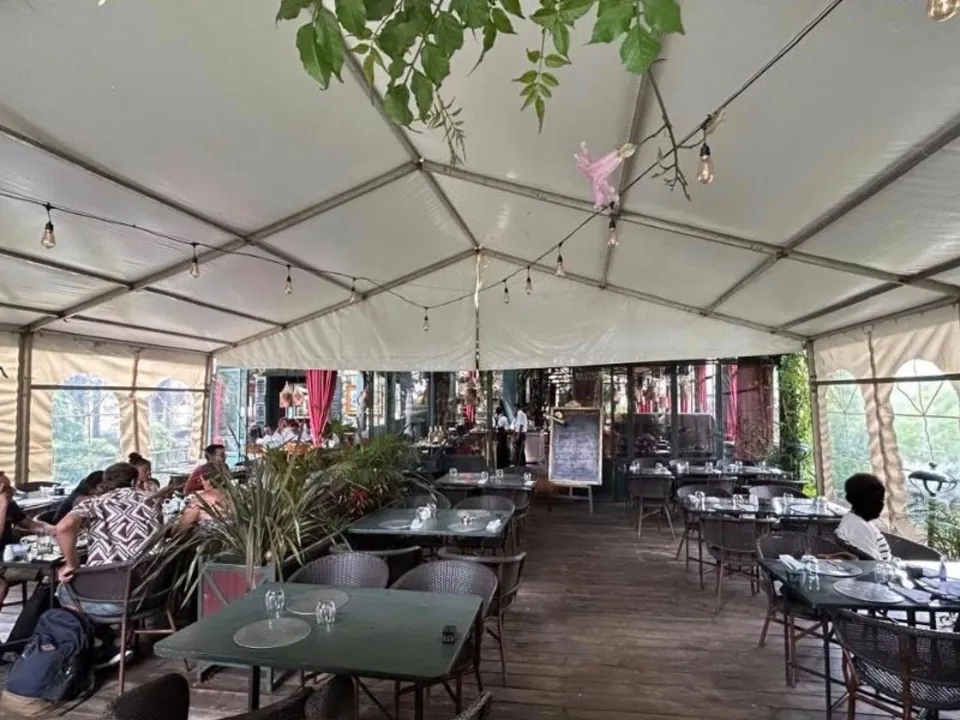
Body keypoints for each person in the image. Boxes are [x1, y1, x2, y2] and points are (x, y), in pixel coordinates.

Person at [0, 472, 55, 608]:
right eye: (6, 488)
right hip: (4, 564)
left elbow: (29, 524)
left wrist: (55, 530)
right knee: (55, 572)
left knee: (56, 567)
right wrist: (2, 506)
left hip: (11, 556)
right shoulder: (5, 504)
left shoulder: (10, 505)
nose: (12, 491)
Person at [835, 473, 892, 561]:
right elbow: (876, 564)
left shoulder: (857, 521)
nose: (882, 504)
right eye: (880, 499)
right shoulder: (858, 527)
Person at [177, 463, 226, 532]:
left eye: (201, 480)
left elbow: (180, 531)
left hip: (208, 538)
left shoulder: (199, 501)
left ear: (208, 481)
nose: (201, 483)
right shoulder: (237, 498)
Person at [494, 404, 510, 470]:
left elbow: (495, 426)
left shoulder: (495, 418)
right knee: (503, 449)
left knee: (498, 449)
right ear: (502, 411)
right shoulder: (504, 418)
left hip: (498, 435)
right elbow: (507, 428)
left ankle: (498, 464)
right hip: (503, 436)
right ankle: (504, 464)